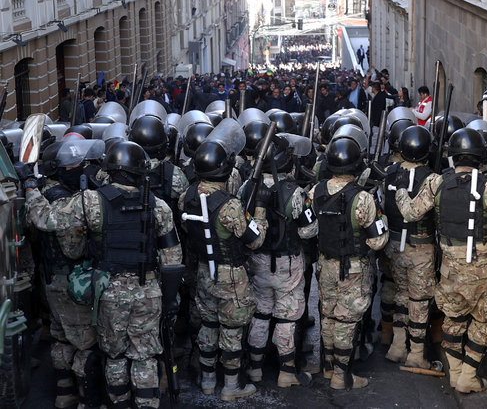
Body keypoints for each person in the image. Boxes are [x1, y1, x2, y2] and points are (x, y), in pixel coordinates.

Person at [21, 141, 183, 409]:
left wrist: (30, 186)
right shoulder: (159, 206)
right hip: (148, 292)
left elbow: (44, 219)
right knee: (145, 357)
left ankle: (118, 403)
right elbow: (173, 260)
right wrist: (170, 300)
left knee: (115, 356)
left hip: (108, 293)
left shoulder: (91, 202)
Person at [407, 128, 487, 393]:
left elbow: (412, 211)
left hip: (449, 267)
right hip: (482, 266)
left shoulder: (436, 182)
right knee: (484, 320)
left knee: (453, 318)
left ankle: (454, 372)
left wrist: (399, 193)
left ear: (453, 155)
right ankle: (468, 374)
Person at [179, 138, 266, 400]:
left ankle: (207, 380)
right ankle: (231, 386)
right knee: (231, 329)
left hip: (205, 270)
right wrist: (259, 217)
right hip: (230, 274)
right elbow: (254, 239)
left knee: (208, 324)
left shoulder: (188, 195)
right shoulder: (230, 205)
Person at [307, 132, 389, 390]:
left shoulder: (315, 190)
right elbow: (378, 241)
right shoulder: (363, 198)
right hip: (353, 268)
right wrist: (382, 220)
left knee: (328, 316)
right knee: (346, 321)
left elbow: (306, 230)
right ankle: (341, 376)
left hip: (325, 265)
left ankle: (329, 365)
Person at [29, 141, 103, 408]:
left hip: (50, 280)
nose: (80, 168)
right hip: (72, 281)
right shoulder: (63, 200)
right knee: (85, 343)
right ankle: (84, 398)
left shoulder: (39, 196)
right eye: (73, 165)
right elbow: (73, 249)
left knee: (61, 339)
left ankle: (63, 391)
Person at [242, 135, 318, 388]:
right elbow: (309, 230)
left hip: (257, 261)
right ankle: (286, 372)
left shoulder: (246, 187)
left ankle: (255, 369)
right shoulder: (295, 192)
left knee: (261, 314)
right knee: (286, 317)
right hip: (287, 264)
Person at [385, 126, 440, 369]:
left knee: (400, 295)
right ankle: (416, 354)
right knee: (419, 301)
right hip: (420, 248)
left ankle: (397, 346)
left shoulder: (390, 172)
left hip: (395, 245)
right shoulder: (432, 179)